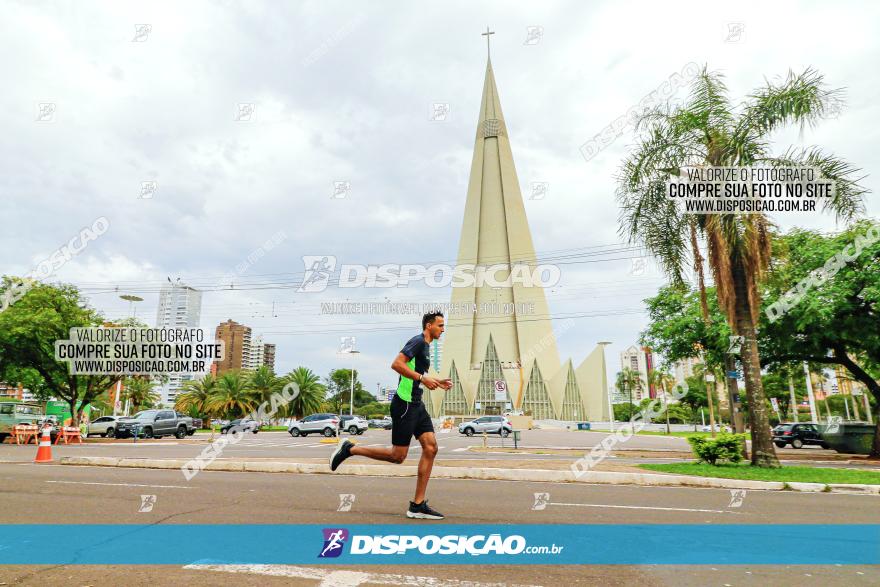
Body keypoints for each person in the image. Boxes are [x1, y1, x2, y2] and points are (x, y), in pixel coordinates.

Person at [329, 311, 452, 519]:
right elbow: (397, 364)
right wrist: (423, 379)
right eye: (440, 325)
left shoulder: (426, 346)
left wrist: (436, 381)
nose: (443, 329)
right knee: (398, 456)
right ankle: (350, 449)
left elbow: (415, 374)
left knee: (431, 448)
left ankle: (417, 505)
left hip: (416, 403)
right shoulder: (417, 341)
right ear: (429, 325)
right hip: (404, 405)